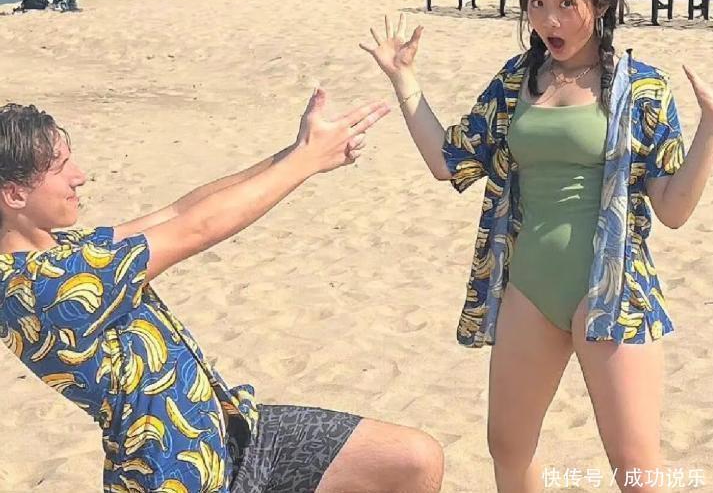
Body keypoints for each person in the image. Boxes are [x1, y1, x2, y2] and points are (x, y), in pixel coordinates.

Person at [361, 0, 713, 492]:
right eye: (537, 2)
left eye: (567, 2)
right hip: (528, 287)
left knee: (636, 470)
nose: (550, 19)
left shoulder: (641, 87)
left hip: (611, 291)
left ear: (601, 2)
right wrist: (404, 79)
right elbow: (449, 161)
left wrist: (710, 128)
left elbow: (672, 208)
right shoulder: (516, 80)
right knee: (507, 445)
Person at [0, 89, 444, 493]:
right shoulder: (42, 285)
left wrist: (299, 152)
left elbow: (178, 211)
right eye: (60, 167)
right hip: (174, 476)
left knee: (413, 459)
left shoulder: (65, 249)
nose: (79, 176)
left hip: (234, 435)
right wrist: (306, 162)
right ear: (15, 194)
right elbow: (198, 229)